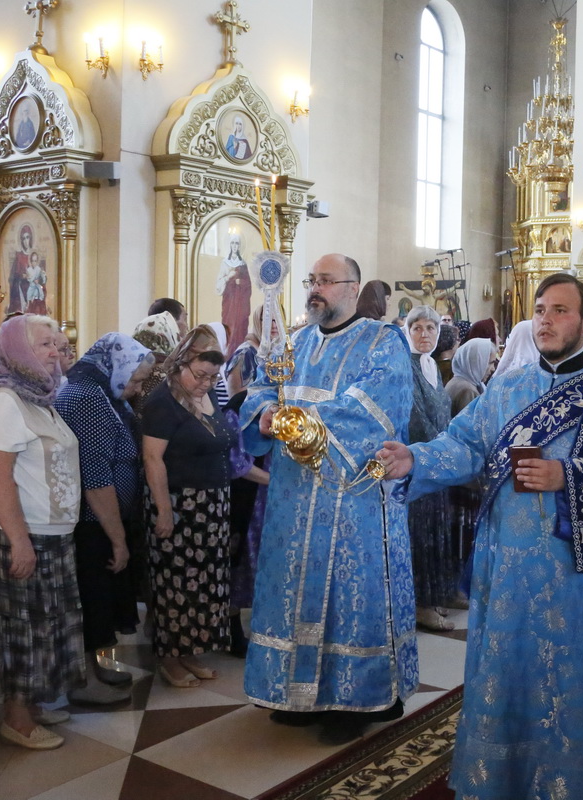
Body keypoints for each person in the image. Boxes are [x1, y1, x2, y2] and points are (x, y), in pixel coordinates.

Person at [376, 272, 583, 798]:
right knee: (503, 677)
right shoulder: (508, 389)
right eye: (540, 310)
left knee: (571, 682)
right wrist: (413, 459)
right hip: (505, 567)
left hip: (579, 575)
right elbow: (464, 445)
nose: (546, 320)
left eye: (559, 311)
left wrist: (570, 477)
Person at [238, 253, 417, 738]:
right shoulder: (292, 342)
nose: (314, 289)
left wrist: (297, 421)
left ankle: (357, 702)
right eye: (311, 281)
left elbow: (375, 409)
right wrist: (263, 415)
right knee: (292, 592)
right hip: (293, 499)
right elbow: (259, 388)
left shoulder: (384, 342)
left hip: (353, 497)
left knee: (349, 597)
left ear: (352, 288)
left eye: (326, 281)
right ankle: (301, 696)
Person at [0, 315, 84, 751]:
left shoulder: (38, 398)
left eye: (57, 344)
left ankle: (30, 704)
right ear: (20, 351)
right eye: (45, 345)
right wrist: (19, 540)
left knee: (44, 625)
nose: (55, 352)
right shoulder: (4, 401)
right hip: (13, 534)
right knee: (18, 626)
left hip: (49, 533)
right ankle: (15, 718)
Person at [54, 334, 155, 704]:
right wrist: (118, 539)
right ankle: (83, 681)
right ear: (118, 368)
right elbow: (96, 478)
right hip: (92, 523)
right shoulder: (88, 399)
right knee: (91, 597)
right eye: (138, 380)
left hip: (102, 521)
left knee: (99, 597)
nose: (138, 388)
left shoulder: (100, 393)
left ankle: (93, 668)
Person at [141, 341, 236, 688]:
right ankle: (170, 657)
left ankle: (191, 649)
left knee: (204, 583)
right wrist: (164, 510)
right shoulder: (162, 403)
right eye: (200, 375)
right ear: (180, 365)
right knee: (176, 583)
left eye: (212, 377)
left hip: (211, 506)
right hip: (180, 506)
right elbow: (153, 459)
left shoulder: (207, 397)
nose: (205, 384)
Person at [404, 306, 457, 631]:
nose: (425, 335)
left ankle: (433, 597)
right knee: (419, 534)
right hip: (417, 462)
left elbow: (442, 411)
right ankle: (420, 604)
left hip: (436, 463)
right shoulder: (406, 367)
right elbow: (415, 418)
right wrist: (439, 450)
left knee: (436, 529)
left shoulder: (433, 367)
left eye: (431, 329)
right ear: (408, 332)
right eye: (418, 328)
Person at [216, 234, 251, 358]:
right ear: (229, 245)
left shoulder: (243, 264)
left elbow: (248, 285)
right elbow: (219, 283)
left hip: (240, 304)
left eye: (237, 243)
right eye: (233, 243)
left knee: (240, 327)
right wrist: (229, 277)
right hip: (229, 303)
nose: (235, 246)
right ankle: (227, 353)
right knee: (229, 326)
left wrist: (240, 282)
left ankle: (239, 354)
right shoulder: (224, 263)